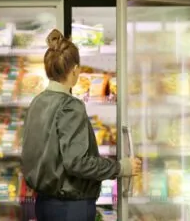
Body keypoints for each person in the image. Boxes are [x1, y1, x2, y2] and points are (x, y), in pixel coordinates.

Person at [22, 29, 141, 221]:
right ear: (76, 69)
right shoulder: (70, 106)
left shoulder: (37, 101)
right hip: (70, 208)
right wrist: (120, 168)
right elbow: (77, 163)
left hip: (44, 205)